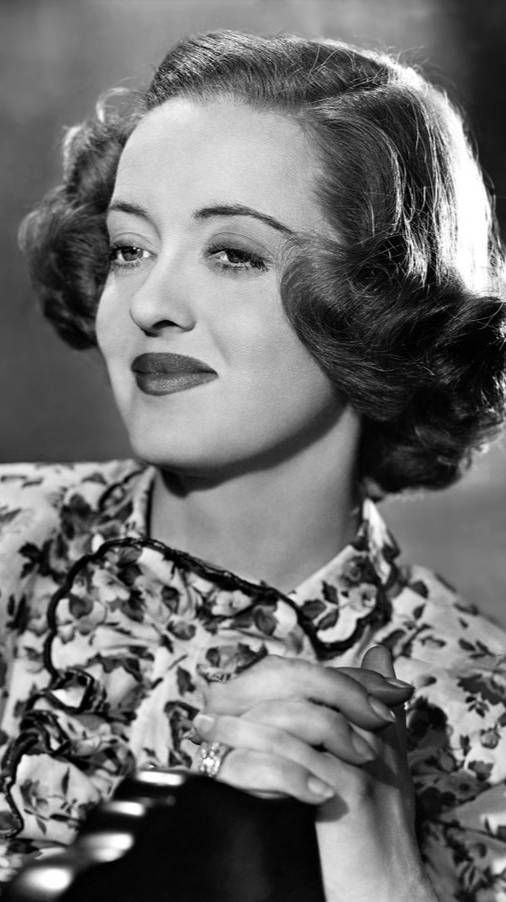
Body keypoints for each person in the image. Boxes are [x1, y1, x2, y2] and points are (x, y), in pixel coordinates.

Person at [0, 27, 505, 901]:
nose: (151, 303)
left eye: (234, 254)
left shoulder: (477, 718)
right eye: (130, 248)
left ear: (380, 303)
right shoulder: (12, 543)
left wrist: (385, 877)